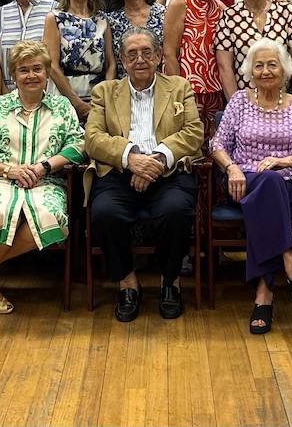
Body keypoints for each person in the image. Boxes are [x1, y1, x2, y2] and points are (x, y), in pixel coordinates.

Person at [0, 41, 85, 314]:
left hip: (45, 180)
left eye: (37, 68)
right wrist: (8, 170)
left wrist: (44, 167)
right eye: (23, 70)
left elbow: (78, 146)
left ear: (47, 72)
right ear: (13, 75)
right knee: (0, 210)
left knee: (53, 219)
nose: (31, 75)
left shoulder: (61, 106)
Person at [84, 28, 204, 321]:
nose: (140, 59)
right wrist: (131, 158)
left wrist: (158, 158)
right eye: (132, 54)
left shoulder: (178, 87)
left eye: (146, 52)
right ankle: (127, 283)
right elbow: (93, 138)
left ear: (159, 55)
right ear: (123, 60)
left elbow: (194, 132)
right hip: (119, 171)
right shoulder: (104, 91)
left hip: (169, 171)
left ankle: (170, 281)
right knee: (104, 212)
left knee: (175, 211)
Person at [210, 37, 292, 334]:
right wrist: (232, 167)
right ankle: (289, 259)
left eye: (271, 64)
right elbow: (218, 144)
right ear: (250, 71)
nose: (265, 71)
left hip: (288, 185)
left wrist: (285, 161)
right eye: (258, 65)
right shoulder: (239, 102)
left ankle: (264, 294)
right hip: (242, 182)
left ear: (285, 68)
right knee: (266, 188)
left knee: (271, 185)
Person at [163, 0, 227, 140]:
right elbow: (169, 52)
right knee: (187, 143)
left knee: (212, 146)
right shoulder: (180, 2)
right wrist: (178, 93)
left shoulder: (221, 8)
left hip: (214, 90)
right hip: (186, 89)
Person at [44, 0, 114, 120]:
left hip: (98, 97)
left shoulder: (102, 19)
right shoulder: (54, 18)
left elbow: (111, 64)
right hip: (63, 96)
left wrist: (105, 98)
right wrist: (77, 103)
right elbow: (52, 66)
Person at [105, 0, 166, 80]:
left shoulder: (164, 14)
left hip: (161, 87)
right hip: (124, 90)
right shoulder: (110, 21)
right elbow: (110, 64)